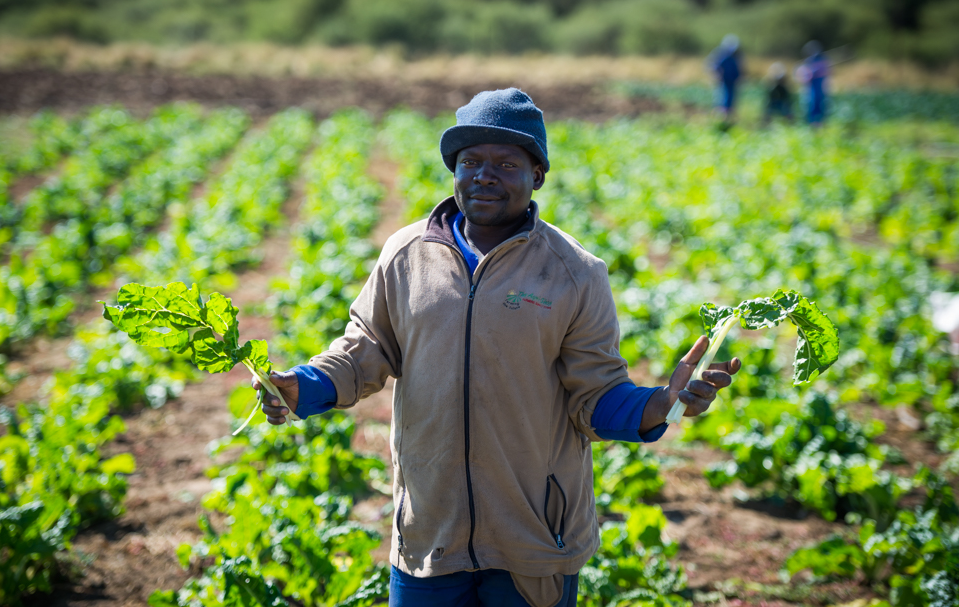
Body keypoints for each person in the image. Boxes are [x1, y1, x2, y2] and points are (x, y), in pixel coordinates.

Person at [253, 88, 741, 607]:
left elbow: (593, 395)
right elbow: (366, 348)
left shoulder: (574, 273)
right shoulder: (407, 255)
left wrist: (660, 402)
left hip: (532, 538)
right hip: (428, 533)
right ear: (454, 171)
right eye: (471, 162)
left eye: (506, 164)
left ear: (537, 176)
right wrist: (302, 386)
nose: (484, 175)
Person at [707, 34, 743, 127]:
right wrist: (717, 75)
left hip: (732, 81)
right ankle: (720, 120)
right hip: (724, 81)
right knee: (722, 99)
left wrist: (739, 77)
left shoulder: (736, 56)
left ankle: (729, 120)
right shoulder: (721, 55)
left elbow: (739, 69)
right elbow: (713, 66)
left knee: (731, 100)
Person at [796, 40, 830, 125]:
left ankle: (820, 122)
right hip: (810, 88)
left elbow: (826, 72)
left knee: (821, 104)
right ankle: (811, 122)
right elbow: (803, 76)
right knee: (810, 104)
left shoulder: (822, 60)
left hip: (820, 87)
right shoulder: (808, 62)